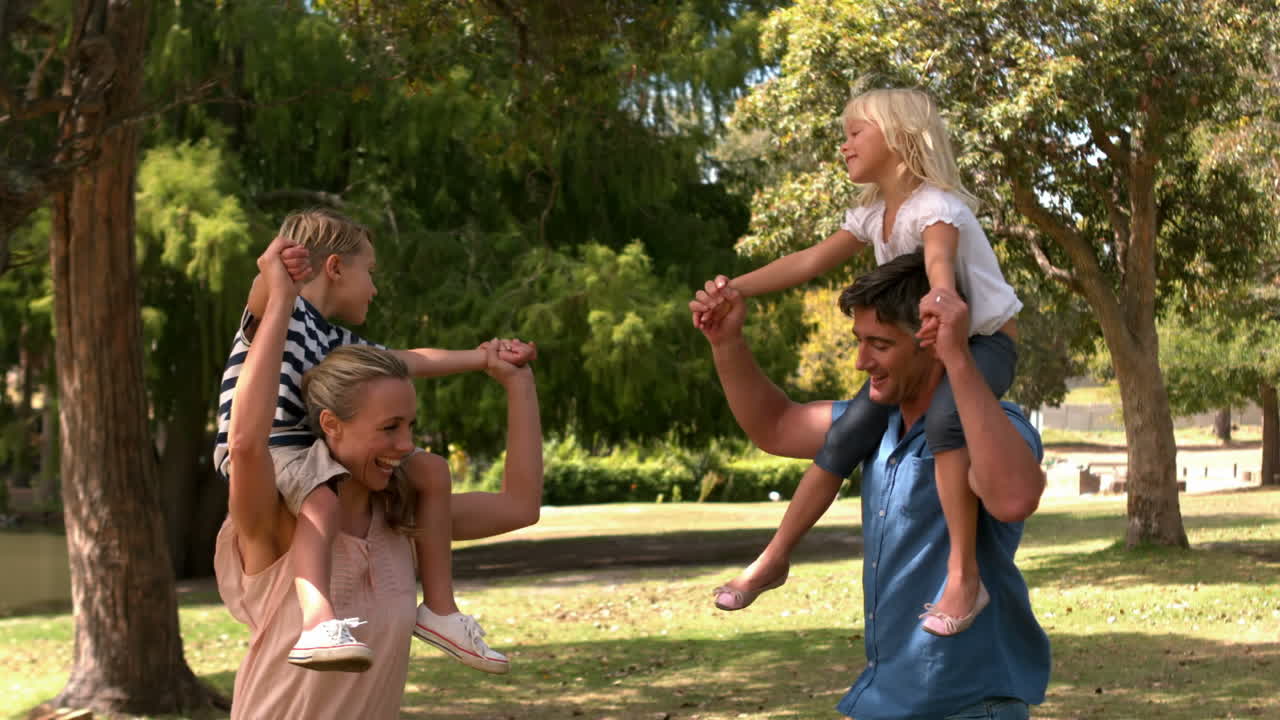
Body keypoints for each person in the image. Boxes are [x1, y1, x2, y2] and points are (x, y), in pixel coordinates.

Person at [691, 88, 1021, 635]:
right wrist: (734, 290)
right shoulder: (874, 213)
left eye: (853, 133)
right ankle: (774, 558)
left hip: (983, 342)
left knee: (945, 419)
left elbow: (939, 263)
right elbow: (811, 260)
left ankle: (964, 576)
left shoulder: (937, 207)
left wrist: (941, 302)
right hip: (926, 342)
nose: (842, 145)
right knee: (845, 435)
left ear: (897, 138)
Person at [695, 251, 1050, 718]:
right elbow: (776, 426)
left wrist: (959, 359)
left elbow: (1014, 497)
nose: (861, 362)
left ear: (932, 341)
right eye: (859, 341)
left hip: (968, 704)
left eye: (879, 345)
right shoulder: (872, 427)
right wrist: (728, 343)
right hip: (887, 699)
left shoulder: (991, 426)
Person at [215, 235, 543, 718]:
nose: (407, 445)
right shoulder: (273, 524)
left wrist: (517, 383)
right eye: (389, 429)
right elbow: (244, 444)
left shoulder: (402, 520)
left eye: (411, 427)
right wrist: (281, 298)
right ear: (330, 424)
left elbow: (520, 506)